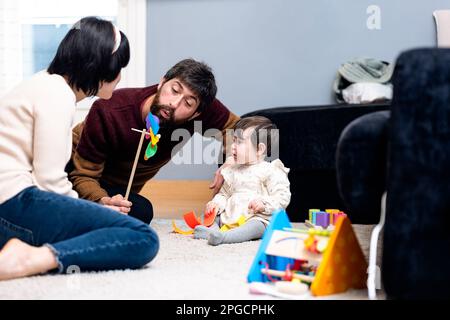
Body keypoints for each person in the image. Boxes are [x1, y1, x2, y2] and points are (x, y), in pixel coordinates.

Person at [0, 17, 159, 281]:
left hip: (8, 200)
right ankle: (31, 258)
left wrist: (95, 210)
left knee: (129, 215)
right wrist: (91, 211)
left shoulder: (45, 84)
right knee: (142, 237)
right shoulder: (57, 93)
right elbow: (49, 181)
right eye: (119, 67)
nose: (120, 76)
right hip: (12, 200)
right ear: (101, 66)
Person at [68, 58, 240, 223]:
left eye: (187, 103)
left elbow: (237, 127)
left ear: (196, 114)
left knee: (142, 210)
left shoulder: (201, 108)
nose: (174, 103)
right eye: (174, 90)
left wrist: (232, 160)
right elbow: (83, 174)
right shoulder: (110, 110)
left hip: (116, 188)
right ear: (162, 82)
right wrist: (100, 200)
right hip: (72, 169)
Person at [194, 116, 291, 245]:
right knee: (213, 214)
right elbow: (224, 194)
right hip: (232, 214)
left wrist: (263, 204)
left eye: (239, 142)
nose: (233, 146)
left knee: (257, 225)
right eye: (233, 140)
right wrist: (216, 204)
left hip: (255, 216)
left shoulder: (271, 170)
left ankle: (225, 237)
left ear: (259, 149)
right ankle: (213, 230)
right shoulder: (232, 170)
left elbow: (282, 197)